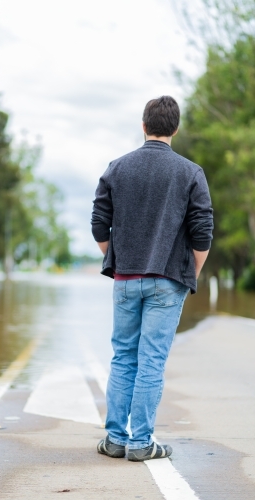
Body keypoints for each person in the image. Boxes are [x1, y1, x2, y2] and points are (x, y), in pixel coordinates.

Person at [91, 95, 213, 462]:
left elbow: (99, 224)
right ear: (175, 129)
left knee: (123, 358)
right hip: (168, 279)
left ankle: (115, 439)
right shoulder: (190, 172)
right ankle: (141, 443)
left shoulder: (117, 168)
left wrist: (120, 260)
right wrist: (190, 271)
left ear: (143, 126)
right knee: (151, 361)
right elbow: (203, 231)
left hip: (125, 279)